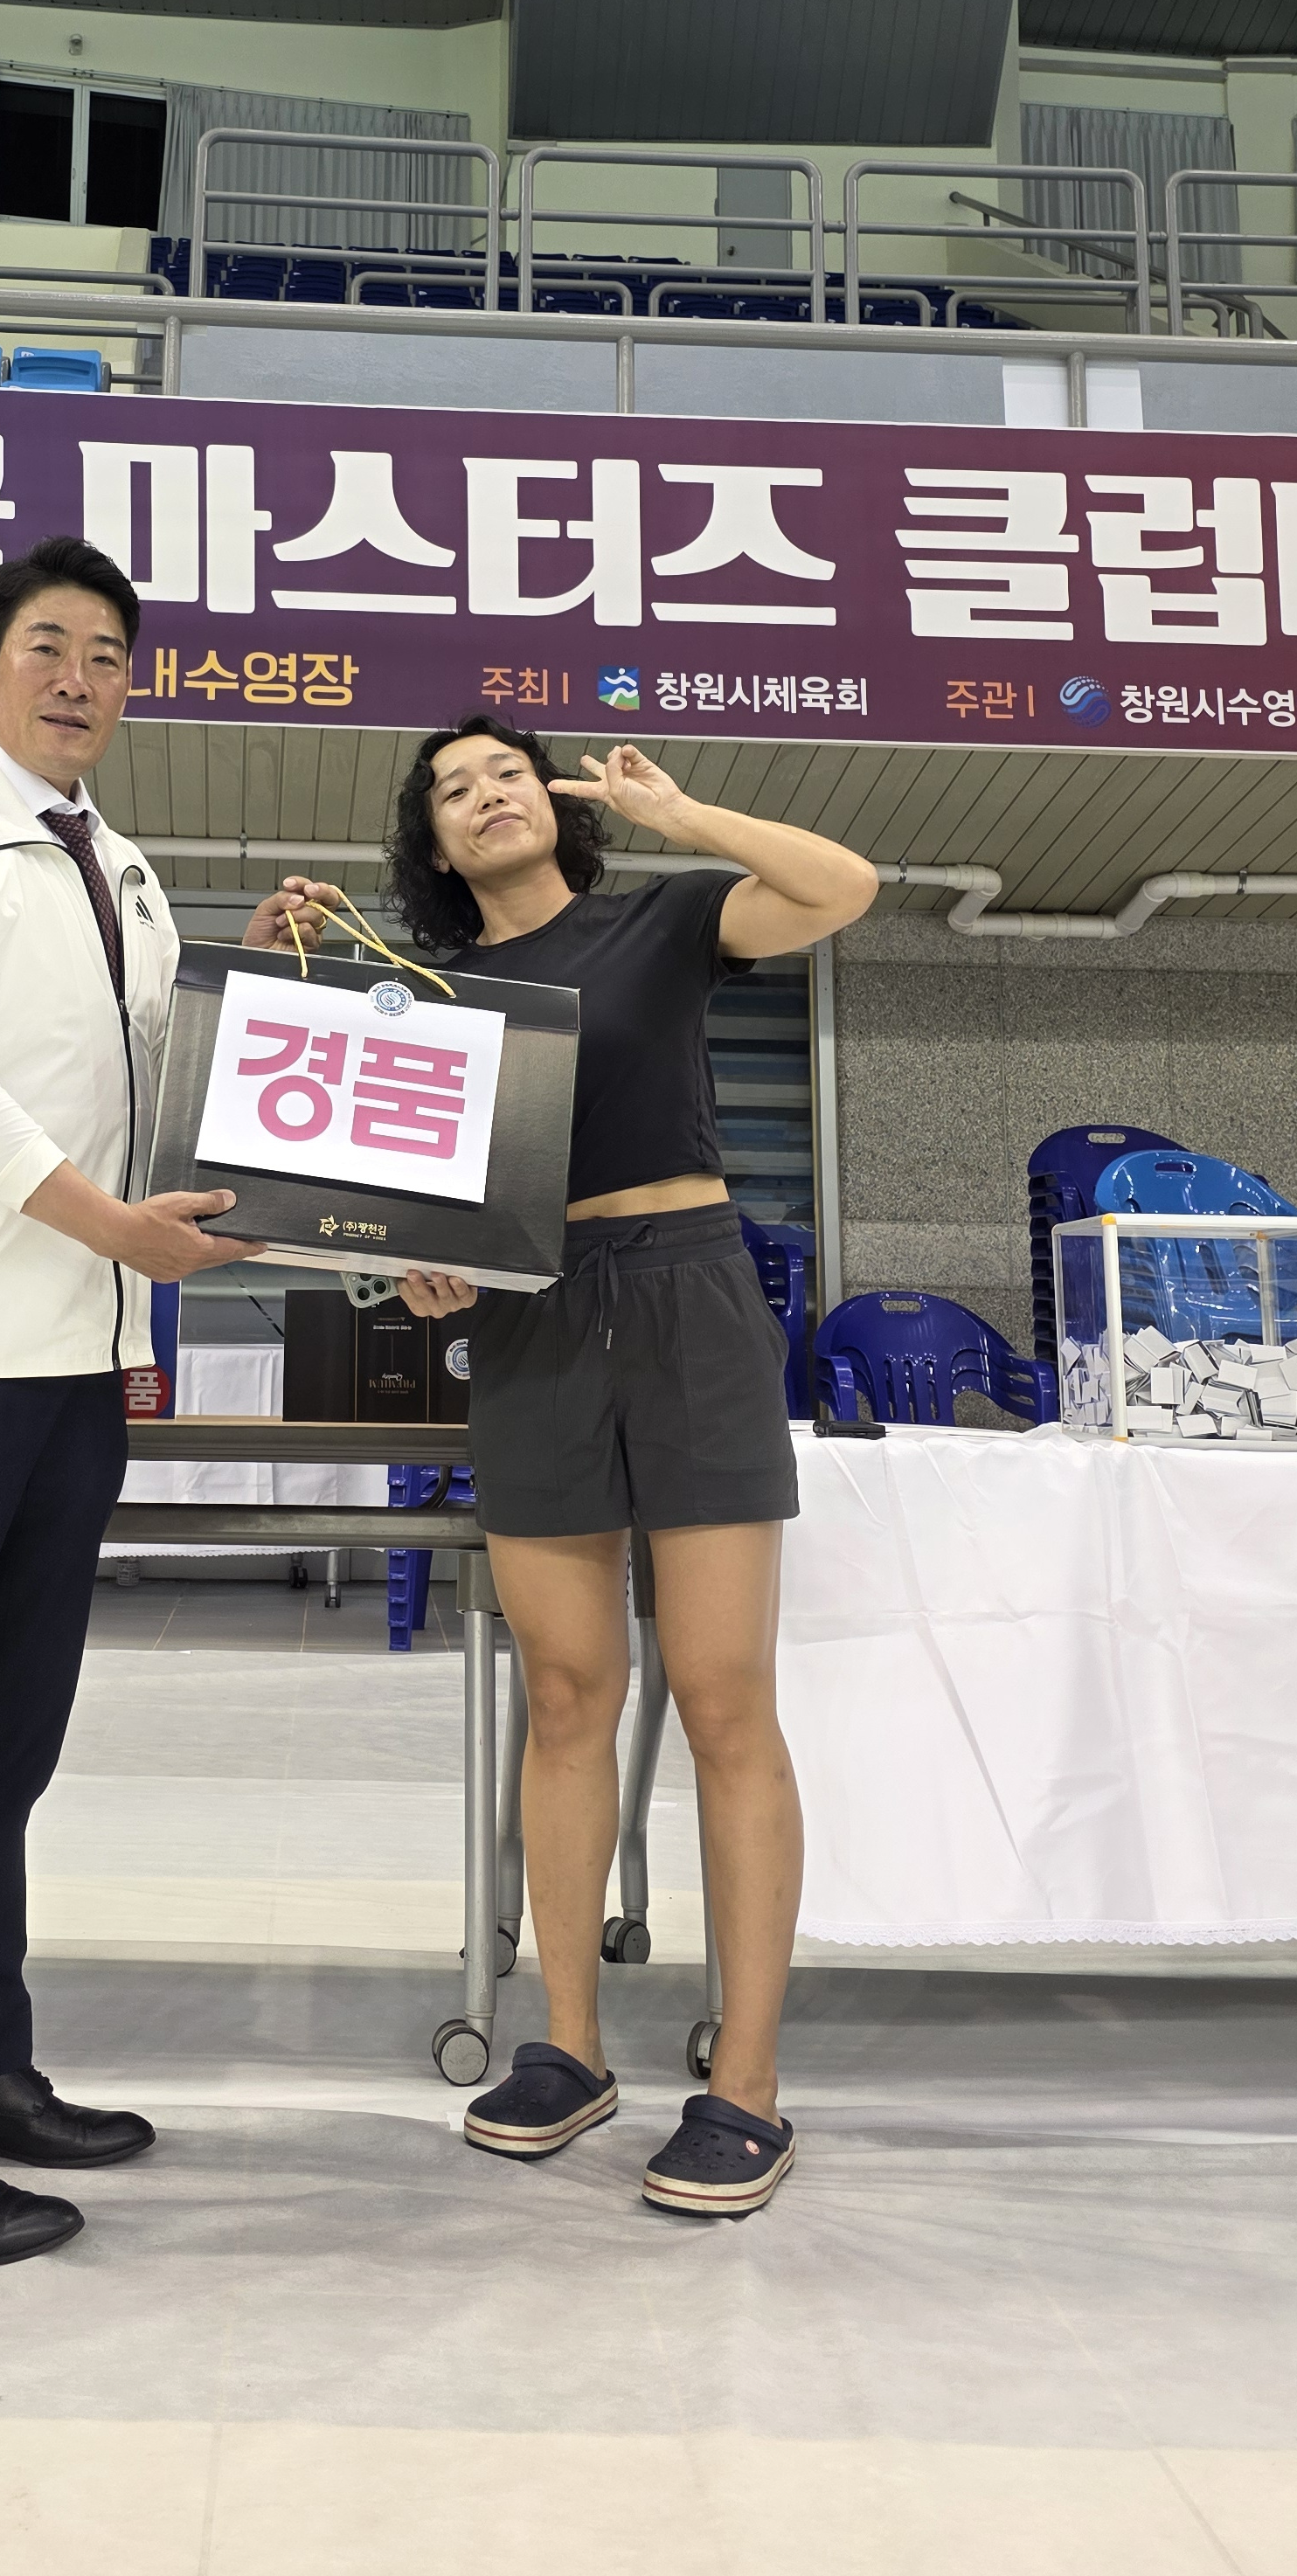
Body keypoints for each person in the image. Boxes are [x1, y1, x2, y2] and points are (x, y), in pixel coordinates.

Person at [0, 532, 335, 2265]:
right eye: (46, 644)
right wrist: (110, 1228)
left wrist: (256, 972)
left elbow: (154, 1081)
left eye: (108, 654)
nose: (78, 677)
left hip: (75, 1358)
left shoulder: (129, 871)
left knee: (4, 1748)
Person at [388, 717, 875, 2219]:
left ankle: (748, 2087)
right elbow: (400, 1197)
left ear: (557, 801)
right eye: (454, 789)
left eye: (506, 773)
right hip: (532, 1320)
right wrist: (416, 1267)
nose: (487, 795)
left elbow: (844, 886)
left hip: (688, 1292)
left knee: (724, 1699)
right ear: (431, 841)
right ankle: (570, 2050)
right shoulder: (431, 996)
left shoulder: (659, 920)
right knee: (566, 1695)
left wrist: (686, 815)